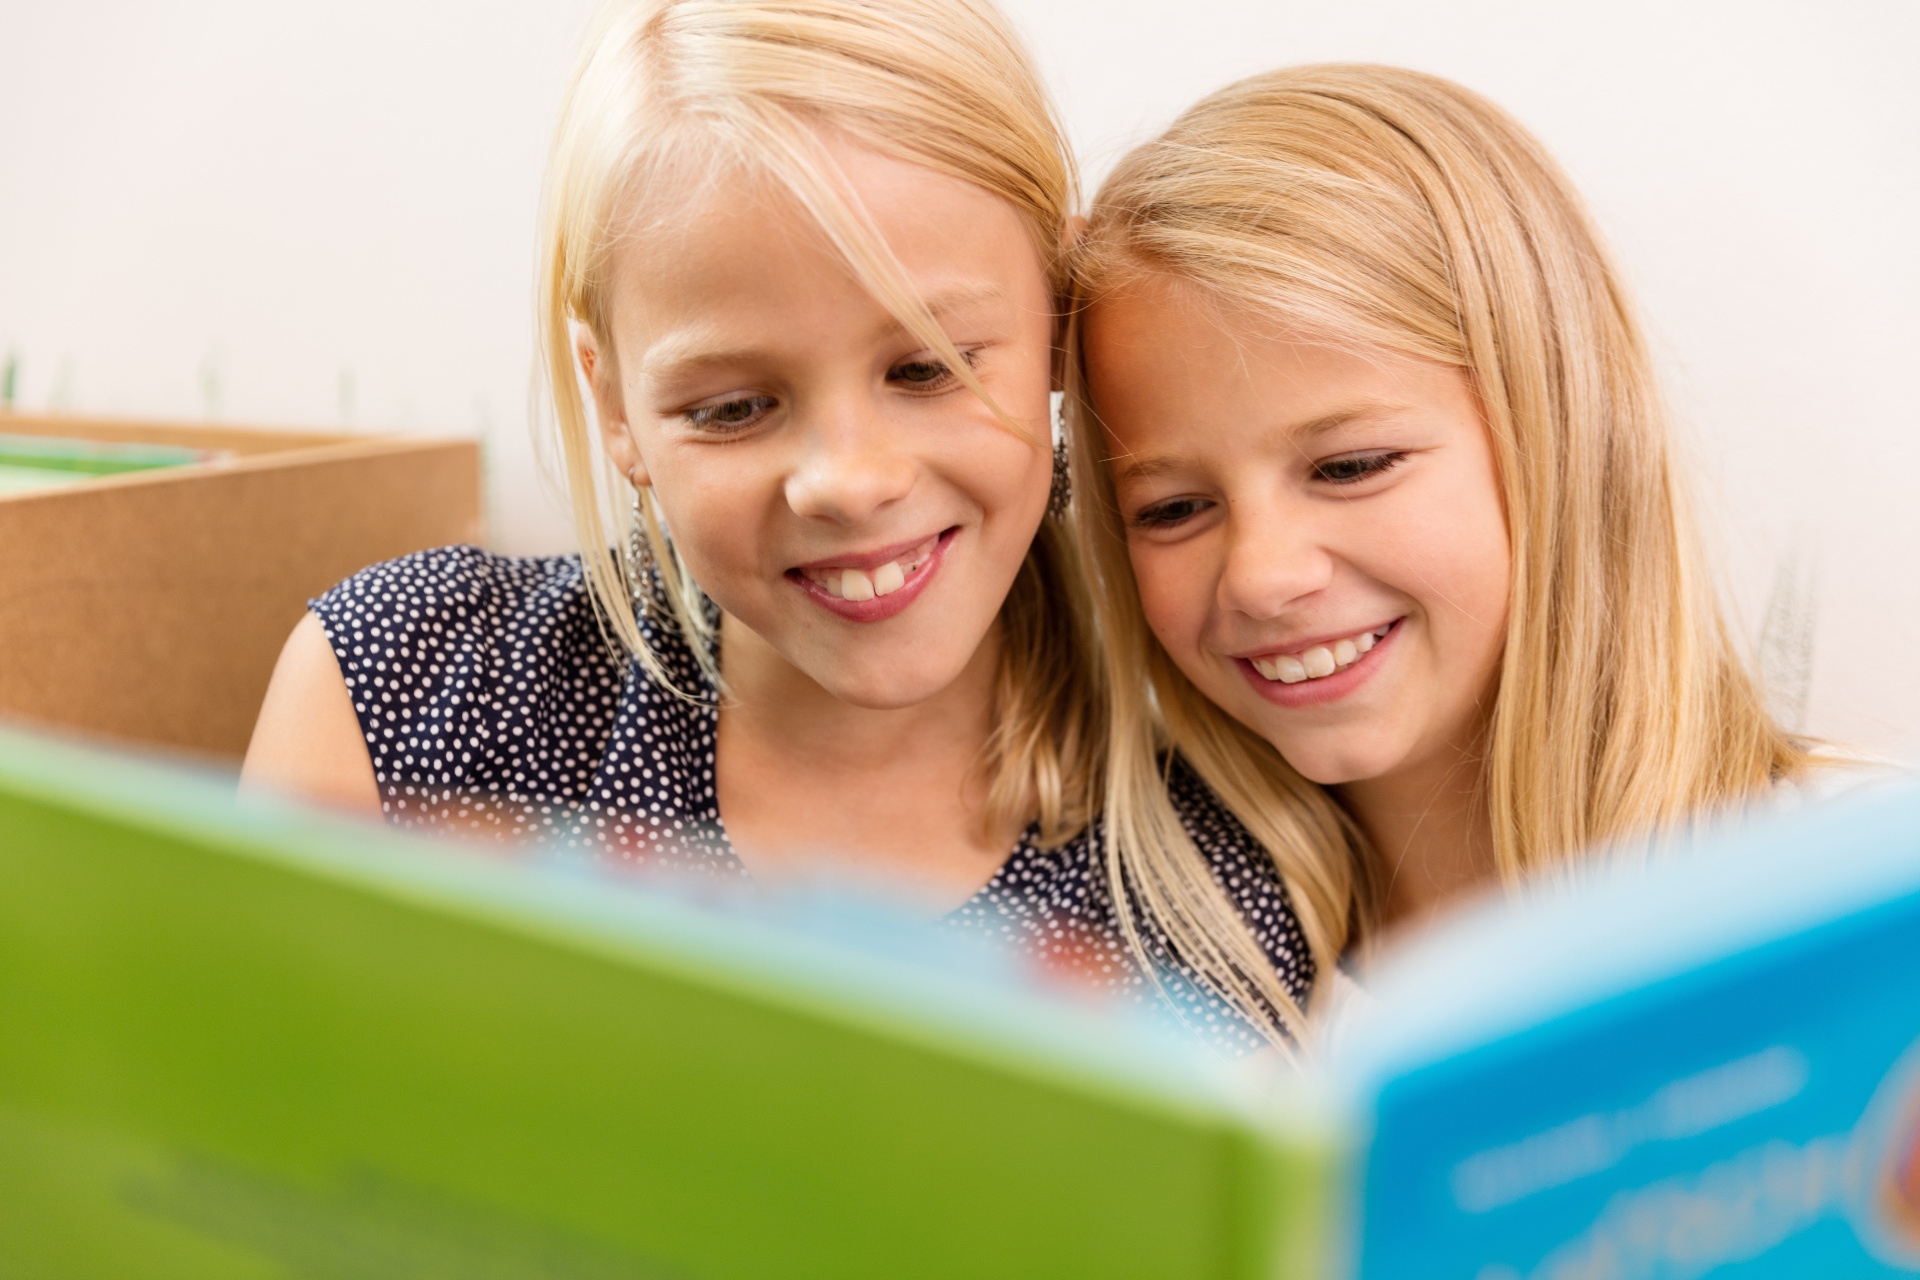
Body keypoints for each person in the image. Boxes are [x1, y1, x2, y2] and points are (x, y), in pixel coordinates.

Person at [243, 0, 1314, 1052]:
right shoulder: (405, 689)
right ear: (614, 404)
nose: (847, 482)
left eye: (927, 367)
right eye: (733, 408)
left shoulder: (1219, 868)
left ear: (1057, 321)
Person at [1066, 63, 1831, 1016]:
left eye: (1350, 466)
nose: (1262, 577)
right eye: (1173, 510)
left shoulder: (1858, 907)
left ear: (1558, 430)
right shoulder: (1156, 997)